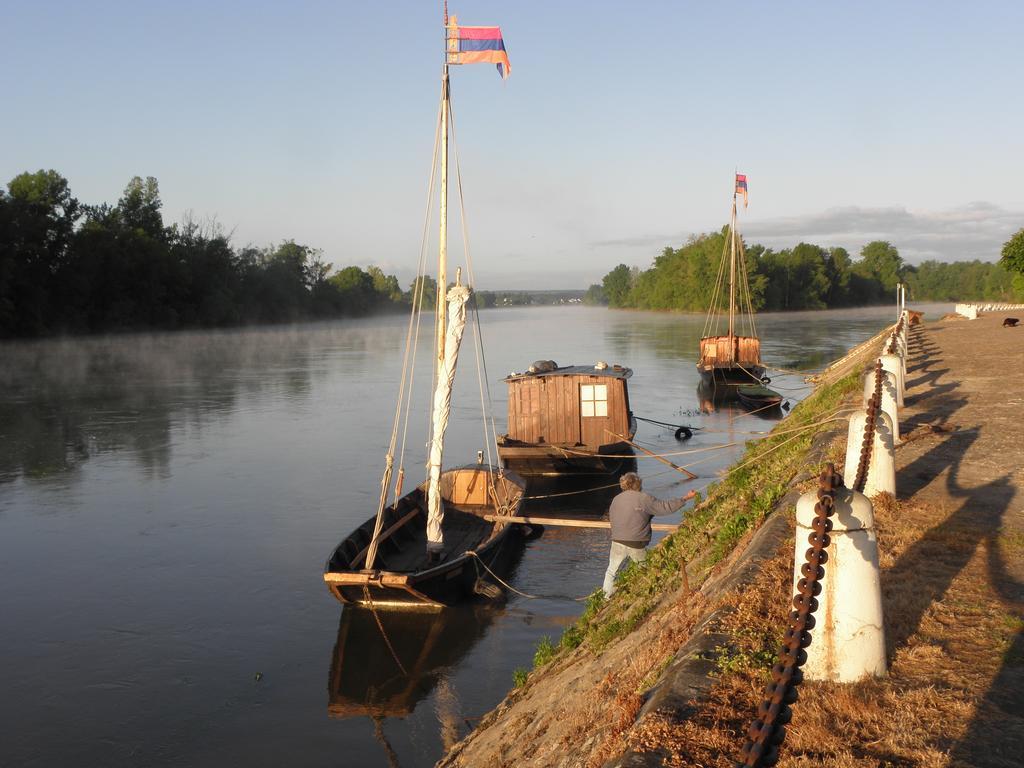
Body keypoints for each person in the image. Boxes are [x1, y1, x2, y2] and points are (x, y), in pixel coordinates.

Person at [602, 472, 696, 596]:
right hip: (636, 542)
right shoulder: (644, 498)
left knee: (611, 571)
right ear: (638, 484)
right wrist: (685, 498)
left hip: (617, 540)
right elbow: (665, 507)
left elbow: (613, 517)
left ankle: (605, 597)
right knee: (646, 569)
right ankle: (651, 593)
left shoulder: (616, 499)